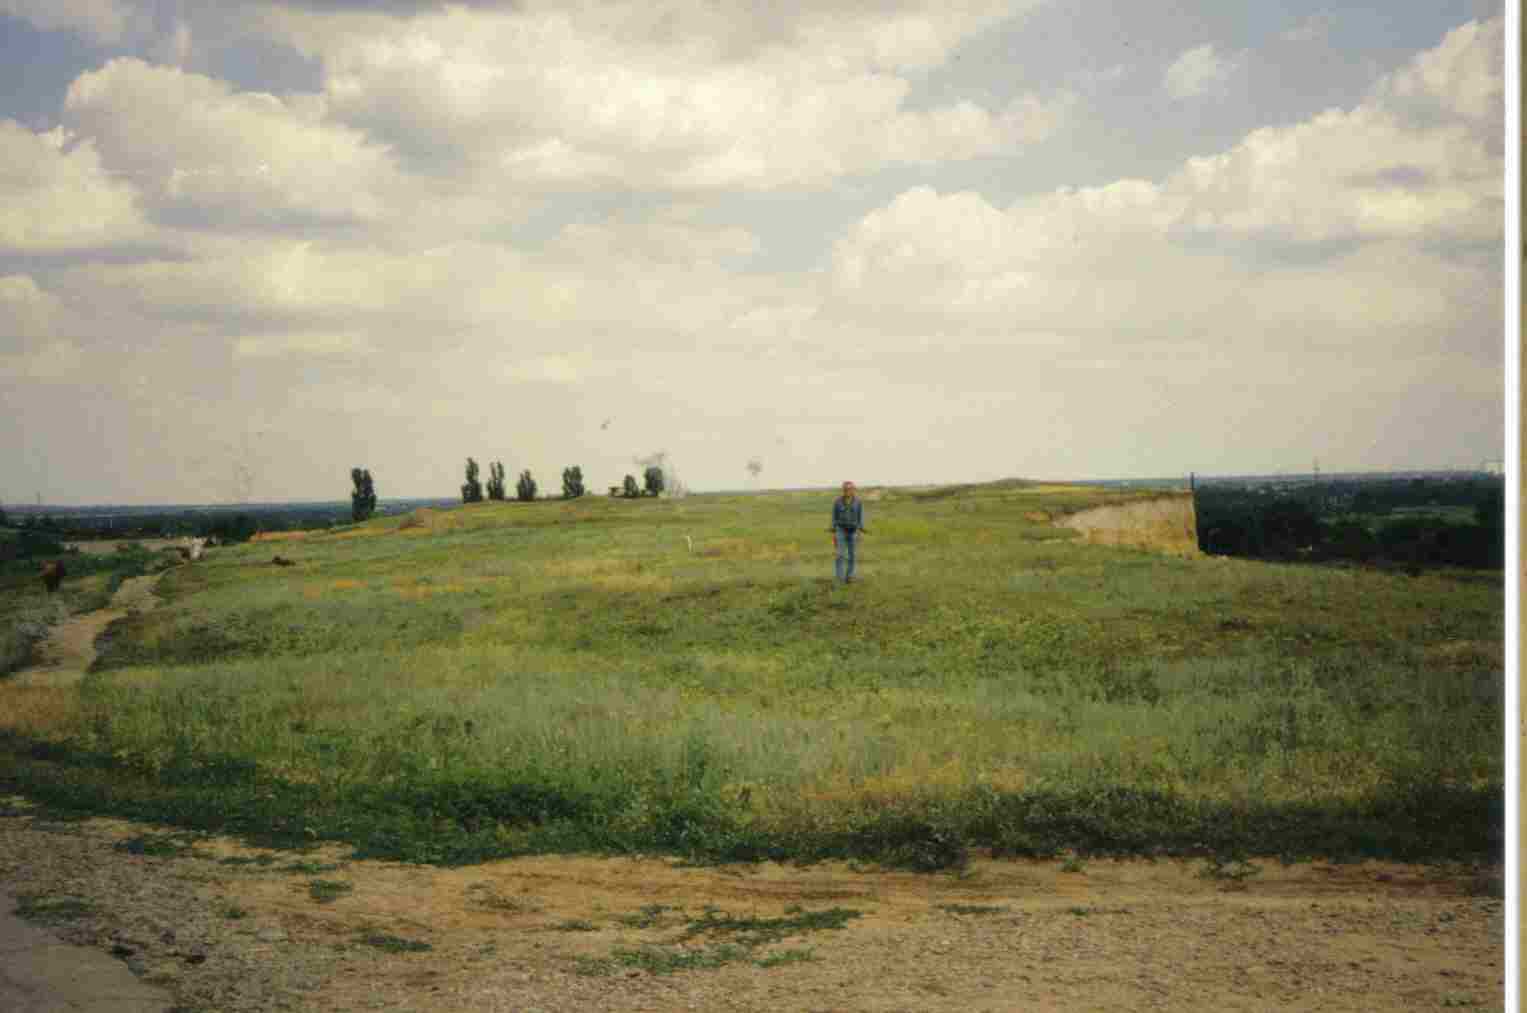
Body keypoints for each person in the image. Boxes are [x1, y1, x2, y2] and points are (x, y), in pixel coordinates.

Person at [829, 481, 867, 583]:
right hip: (840, 530)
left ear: (853, 490)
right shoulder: (837, 502)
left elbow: (861, 517)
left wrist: (859, 531)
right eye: (845, 489)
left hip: (853, 530)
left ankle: (850, 576)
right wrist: (834, 533)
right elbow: (834, 517)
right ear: (843, 490)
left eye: (850, 489)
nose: (848, 491)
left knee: (852, 555)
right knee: (840, 554)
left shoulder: (858, 502)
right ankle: (839, 578)